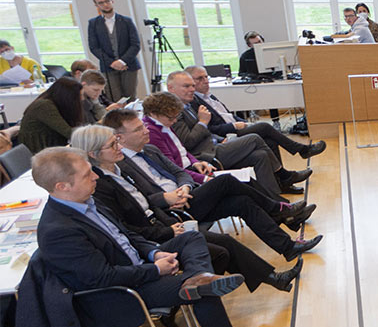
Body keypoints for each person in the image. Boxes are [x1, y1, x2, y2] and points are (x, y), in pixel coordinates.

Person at [30, 147, 269, 327]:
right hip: (120, 292)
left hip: (140, 266)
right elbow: (102, 278)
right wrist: (156, 270)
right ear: (62, 186)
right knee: (201, 289)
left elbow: (127, 235)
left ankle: (200, 277)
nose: (95, 177)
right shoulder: (58, 230)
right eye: (86, 174)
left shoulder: (88, 201)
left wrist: (153, 252)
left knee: (192, 239)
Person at [72, 125, 303, 292]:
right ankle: (279, 224)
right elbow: (129, 226)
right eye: (113, 144)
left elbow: (150, 200)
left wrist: (179, 194)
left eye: (117, 141)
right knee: (223, 239)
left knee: (242, 202)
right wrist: (169, 225)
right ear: (93, 154)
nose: (118, 146)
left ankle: (286, 250)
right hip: (159, 231)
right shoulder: (100, 186)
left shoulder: (119, 170)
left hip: (171, 214)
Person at [100, 108, 322, 261]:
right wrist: (167, 198)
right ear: (119, 137)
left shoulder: (148, 150)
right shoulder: (122, 165)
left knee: (242, 201)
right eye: (138, 129)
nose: (145, 130)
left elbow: (179, 171)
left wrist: (186, 186)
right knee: (226, 180)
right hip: (175, 210)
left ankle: (288, 246)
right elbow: (143, 199)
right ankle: (280, 209)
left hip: (189, 194)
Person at [165, 73, 311, 197]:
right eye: (186, 86)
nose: (192, 89)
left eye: (192, 85)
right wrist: (203, 122)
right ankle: (285, 174)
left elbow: (208, 132)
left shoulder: (189, 105)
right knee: (256, 137)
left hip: (217, 144)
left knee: (260, 155)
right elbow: (188, 142)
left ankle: (275, 199)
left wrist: (220, 138)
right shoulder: (174, 111)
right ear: (170, 88)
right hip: (206, 156)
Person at [184, 65, 325, 161]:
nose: (205, 81)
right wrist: (235, 126)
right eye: (200, 79)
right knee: (264, 126)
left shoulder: (209, 96)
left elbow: (229, 115)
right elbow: (209, 129)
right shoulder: (195, 102)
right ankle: (301, 150)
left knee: (270, 141)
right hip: (227, 135)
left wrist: (243, 122)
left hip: (237, 127)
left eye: (206, 77)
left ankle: (282, 180)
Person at [86, 0, 141, 100]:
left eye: (107, 1)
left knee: (130, 97)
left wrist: (122, 61)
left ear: (112, 1)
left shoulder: (126, 21)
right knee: (114, 99)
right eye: (101, 3)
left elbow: (135, 44)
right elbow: (94, 47)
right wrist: (112, 63)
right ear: (96, 5)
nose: (105, 5)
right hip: (108, 67)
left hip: (129, 65)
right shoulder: (93, 23)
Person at [20, 77, 84, 153]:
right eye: (78, 96)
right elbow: (68, 132)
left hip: (48, 147)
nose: (82, 98)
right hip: (38, 151)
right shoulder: (44, 106)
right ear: (68, 97)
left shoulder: (52, 103)